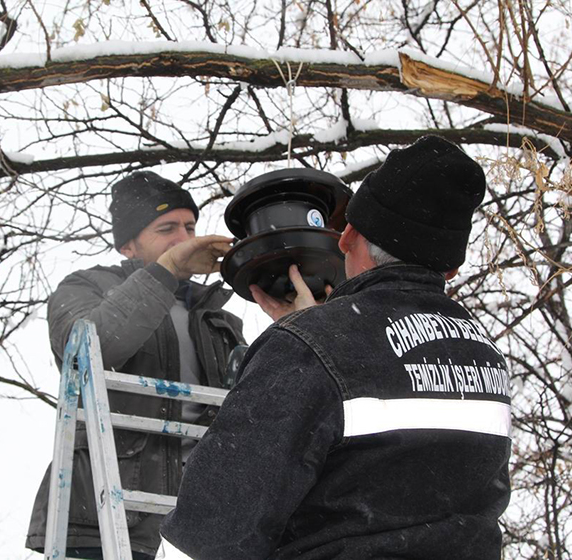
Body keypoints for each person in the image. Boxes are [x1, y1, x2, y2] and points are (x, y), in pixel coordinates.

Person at [159, 135, 512, 559]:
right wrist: (316, 334)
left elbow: (212, 529)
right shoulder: (485, 357)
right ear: (452, 266)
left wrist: (309, 340)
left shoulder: (311, 348)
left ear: (347, 237)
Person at [25, 171, 246, 559]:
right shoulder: (86, 286)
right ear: (128, 245)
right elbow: (93, 349)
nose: (184, 237)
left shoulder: (218, 314)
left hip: (208, 517)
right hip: (102, 510)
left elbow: (253, 406)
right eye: (167, 228)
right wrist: (167, 271)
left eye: (190, 226)